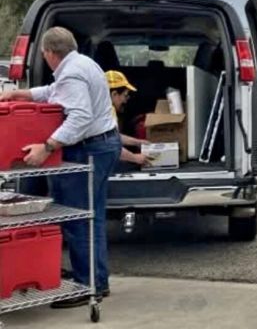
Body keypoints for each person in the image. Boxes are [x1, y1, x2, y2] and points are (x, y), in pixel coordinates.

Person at [0, 27, 121, 308]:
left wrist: (48, 146)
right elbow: (55, 92)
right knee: (93, 217)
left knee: (78, 219)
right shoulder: (82, 64)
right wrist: (23, 95)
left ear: (49, 53)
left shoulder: (72, 72)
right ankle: (96, 279)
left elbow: (79, 117)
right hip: (104, 144)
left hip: (89, 148)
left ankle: (86, 285)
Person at [105, 70, 150, 167]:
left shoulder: (102, 108)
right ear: (114, 94)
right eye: (125, 95)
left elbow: (114, 136)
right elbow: (110, 145)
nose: (126, 100)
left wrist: (138, 143)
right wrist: (135, 158)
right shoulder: (107, 112)